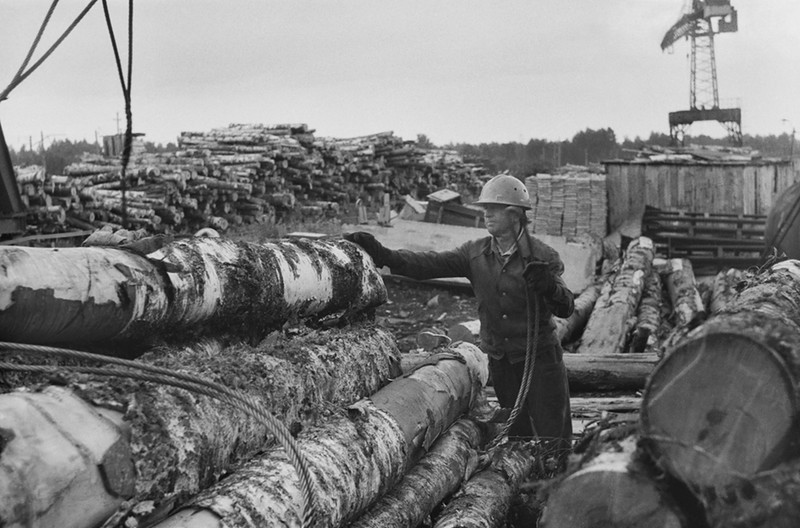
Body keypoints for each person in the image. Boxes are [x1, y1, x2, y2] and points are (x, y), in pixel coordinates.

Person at [345, 174, 574, 454]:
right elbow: (429, 264)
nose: (486, 213)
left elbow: (566, 307)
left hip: (540, 361)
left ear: (515, 215)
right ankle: (525, 491)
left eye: (494, 208)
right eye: (485, 207)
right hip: (502, 363)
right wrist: (385, 256)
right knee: (518, 438)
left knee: (555, 436)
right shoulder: (475, 254)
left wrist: (550, 287)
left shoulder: (543, 256)